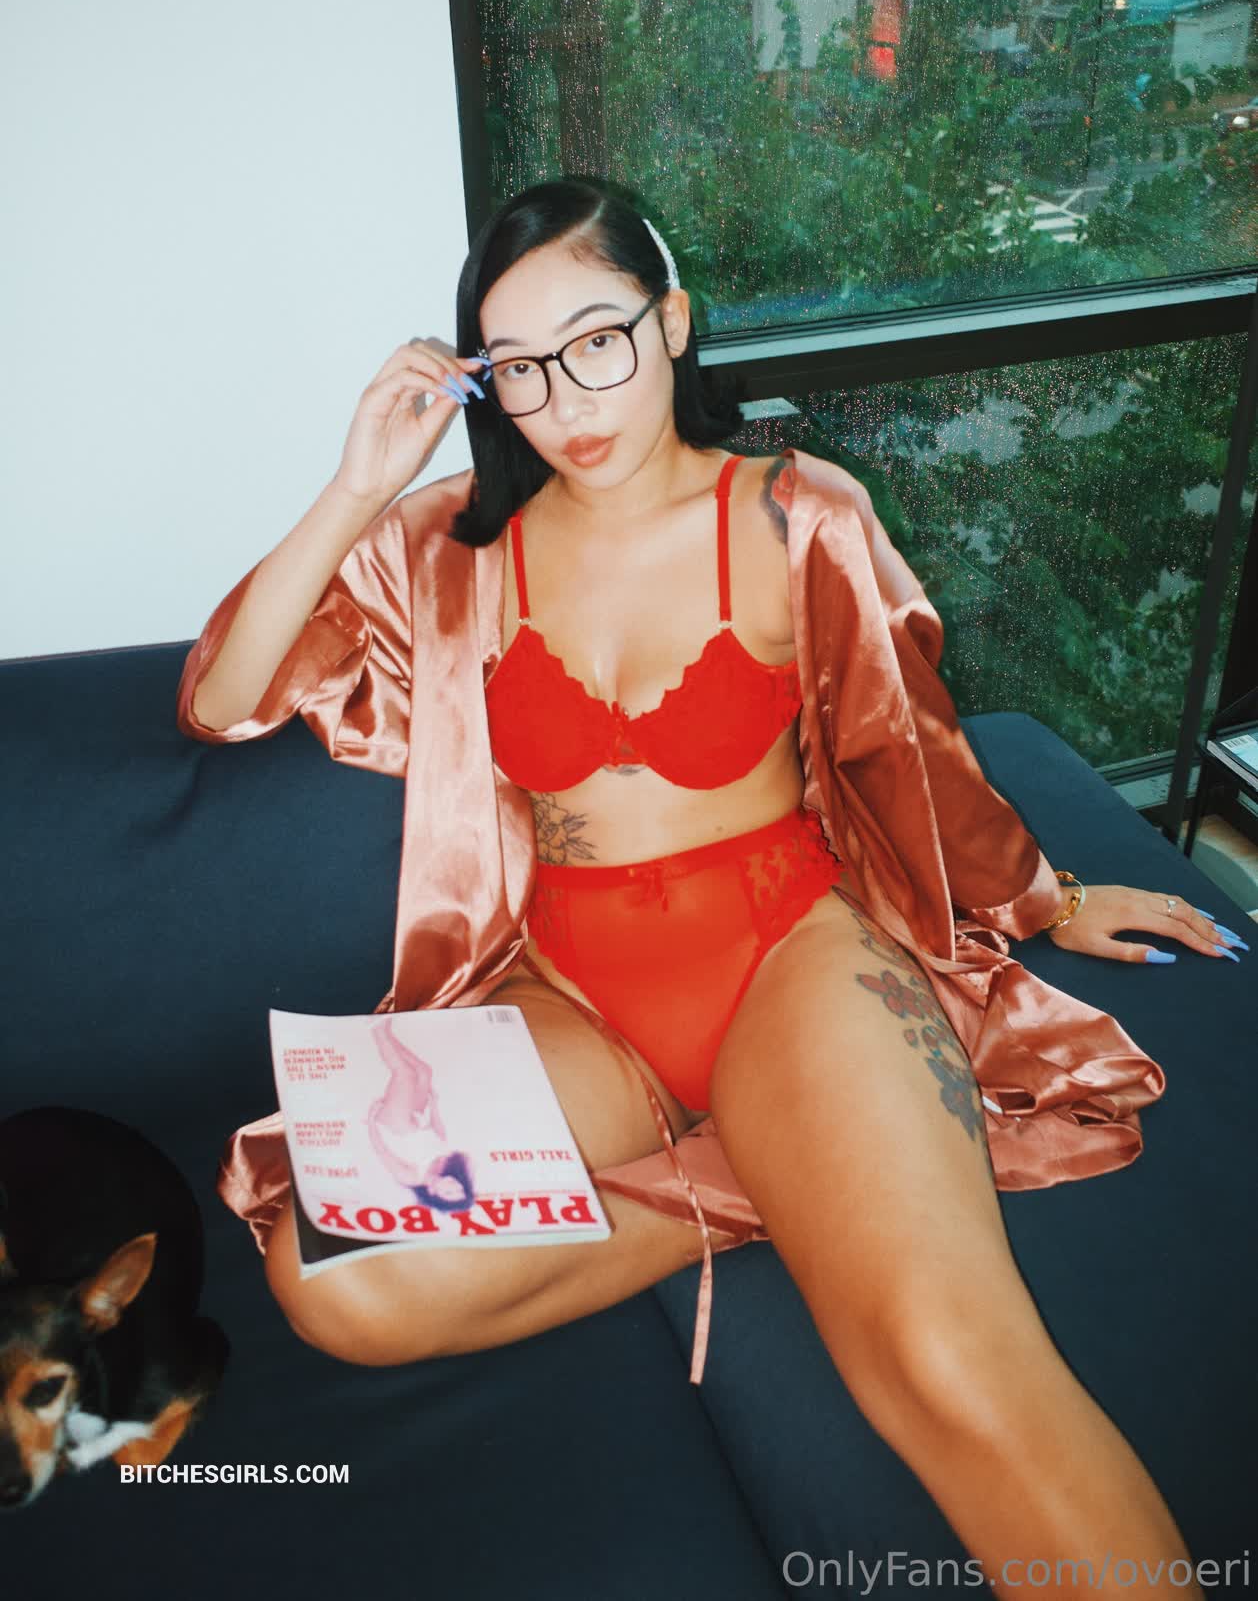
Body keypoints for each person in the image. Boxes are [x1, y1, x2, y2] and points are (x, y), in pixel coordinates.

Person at [179, 175, 1225, 1598]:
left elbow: (907, 747)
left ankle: (816, 1155)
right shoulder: (447, 546)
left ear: (672, 322)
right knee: (332, 1279)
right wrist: (360, 483)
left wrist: (1046, 899)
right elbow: (221, 701)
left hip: (791, 962)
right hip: (570, 1000)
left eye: (597, 341)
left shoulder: (800, 515)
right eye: (521, 367)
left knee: (944, 1367)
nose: (566, 399)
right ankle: (783, 1181)